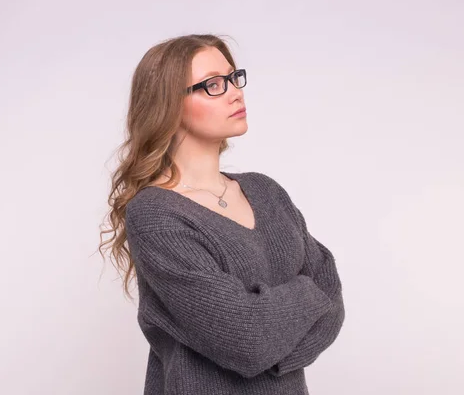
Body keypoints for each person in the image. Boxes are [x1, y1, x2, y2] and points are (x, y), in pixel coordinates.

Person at [99, 33, 345, 395]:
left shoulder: (265, 191)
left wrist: (266, 331)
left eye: (233, 77)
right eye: (213, 84)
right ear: (168, 105)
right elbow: (248, 341)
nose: (234, 91)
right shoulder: (155, 215)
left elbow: (333, 302)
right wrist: (306, 293)